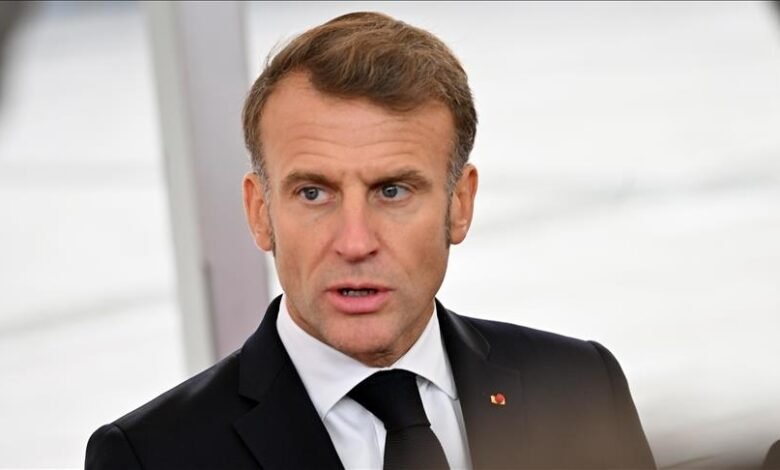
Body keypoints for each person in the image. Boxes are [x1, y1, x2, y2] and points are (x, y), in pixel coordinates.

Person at [86, 12, 655, 469]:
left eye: (392, 191)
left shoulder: (581, 386)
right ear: (261, 213)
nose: (355, 243)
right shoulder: (151, 457)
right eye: (314, 193)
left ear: (459, 205)